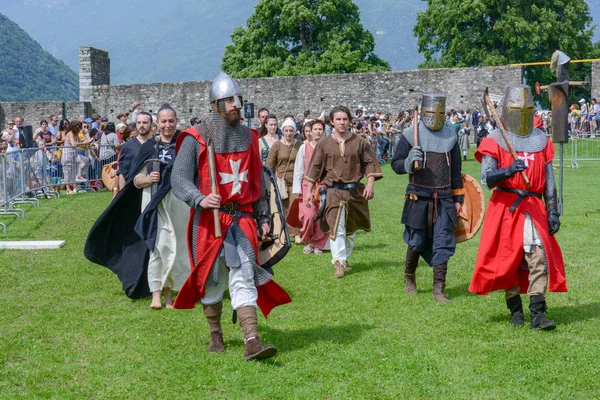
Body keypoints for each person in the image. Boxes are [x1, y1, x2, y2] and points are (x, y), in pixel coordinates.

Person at [171, 72, 291, 360]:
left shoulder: (250, 138)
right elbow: (178, 179)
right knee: (211, 280)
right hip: (209, 221)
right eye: (229, 101)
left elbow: (258, 183)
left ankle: (252, 339)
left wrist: (264, 218)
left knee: (244, 274)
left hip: (243, 218)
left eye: (237, 100)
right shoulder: (196, 138)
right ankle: (215, 333)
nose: (235, 105)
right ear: (215, 105)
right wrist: (200, 198)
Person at [469, 84, 566, 330]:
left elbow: (549, 181)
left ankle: (537, 314)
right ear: (507, 110)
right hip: (505, 206)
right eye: (516, 109)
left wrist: (553, 210)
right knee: (507, 260)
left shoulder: (541, 140)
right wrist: (508, 171)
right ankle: (515, 310)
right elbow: (487, 178)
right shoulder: (495, 140)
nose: (522, 113)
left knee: (538, 259)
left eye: (527, 109)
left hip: (533, 206)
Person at [391, 94, 464, 303]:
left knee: (443, 242)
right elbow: (395, 164)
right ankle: (409, 277)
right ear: (423, 112)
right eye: (431, 113)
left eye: (439, 113)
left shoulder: (451, 137)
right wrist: (408, 161)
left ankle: (438, 290)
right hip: (418, 196)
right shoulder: (410, 135)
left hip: (444, 198)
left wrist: (458, 199)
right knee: (417, 240)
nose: (435, 117)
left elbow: (456, 171)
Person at [304, 106, 383, 278]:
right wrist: (308, 191)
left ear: (349, 121)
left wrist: (370, 184)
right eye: (338, 119)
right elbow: (315, 167)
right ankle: (338, 262)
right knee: (336, 227)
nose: (342, 122)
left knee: (351, 229)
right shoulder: (324, 143)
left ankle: (345, 258)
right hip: (332, 191)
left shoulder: (360, 142)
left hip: (354, 190)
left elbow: (369, 163)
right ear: (331, 121)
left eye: (344, 119)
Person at [133, 107, 190, 309]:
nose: (168, 125)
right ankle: (156, 294)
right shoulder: (149, 147)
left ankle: (170, 295)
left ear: (176, 121)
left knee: (177, 247)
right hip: (155, 201)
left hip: (179, 202)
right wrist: (148, 179)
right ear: (157, 123)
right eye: (164, 121)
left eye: (171, 121)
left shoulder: (185, 145)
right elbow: (136, 180)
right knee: (158, 246)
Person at [292, 119, 328, 254]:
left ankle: (317, 243)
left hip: (323, 186)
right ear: (310, 132)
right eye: (315, 129)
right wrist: (297, 190)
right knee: (308, 215)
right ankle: (307, 239)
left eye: (320, 129)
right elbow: (299, 169)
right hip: (307, 186)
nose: (318, 131)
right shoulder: (304, 147)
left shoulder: (327, 147)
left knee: (322, 215)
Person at [266, 119, 302, 243]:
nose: (288, 133)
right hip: (281, 182)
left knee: (295, 207)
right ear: (282, 131)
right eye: (286, 130)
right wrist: (270, 180)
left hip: (296, 181)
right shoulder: (277, 145)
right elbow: (270, 164)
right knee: (283, 208)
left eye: (291, 130)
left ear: (294, 131)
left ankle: (296, 233)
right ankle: (283, 232)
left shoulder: (300, 145)